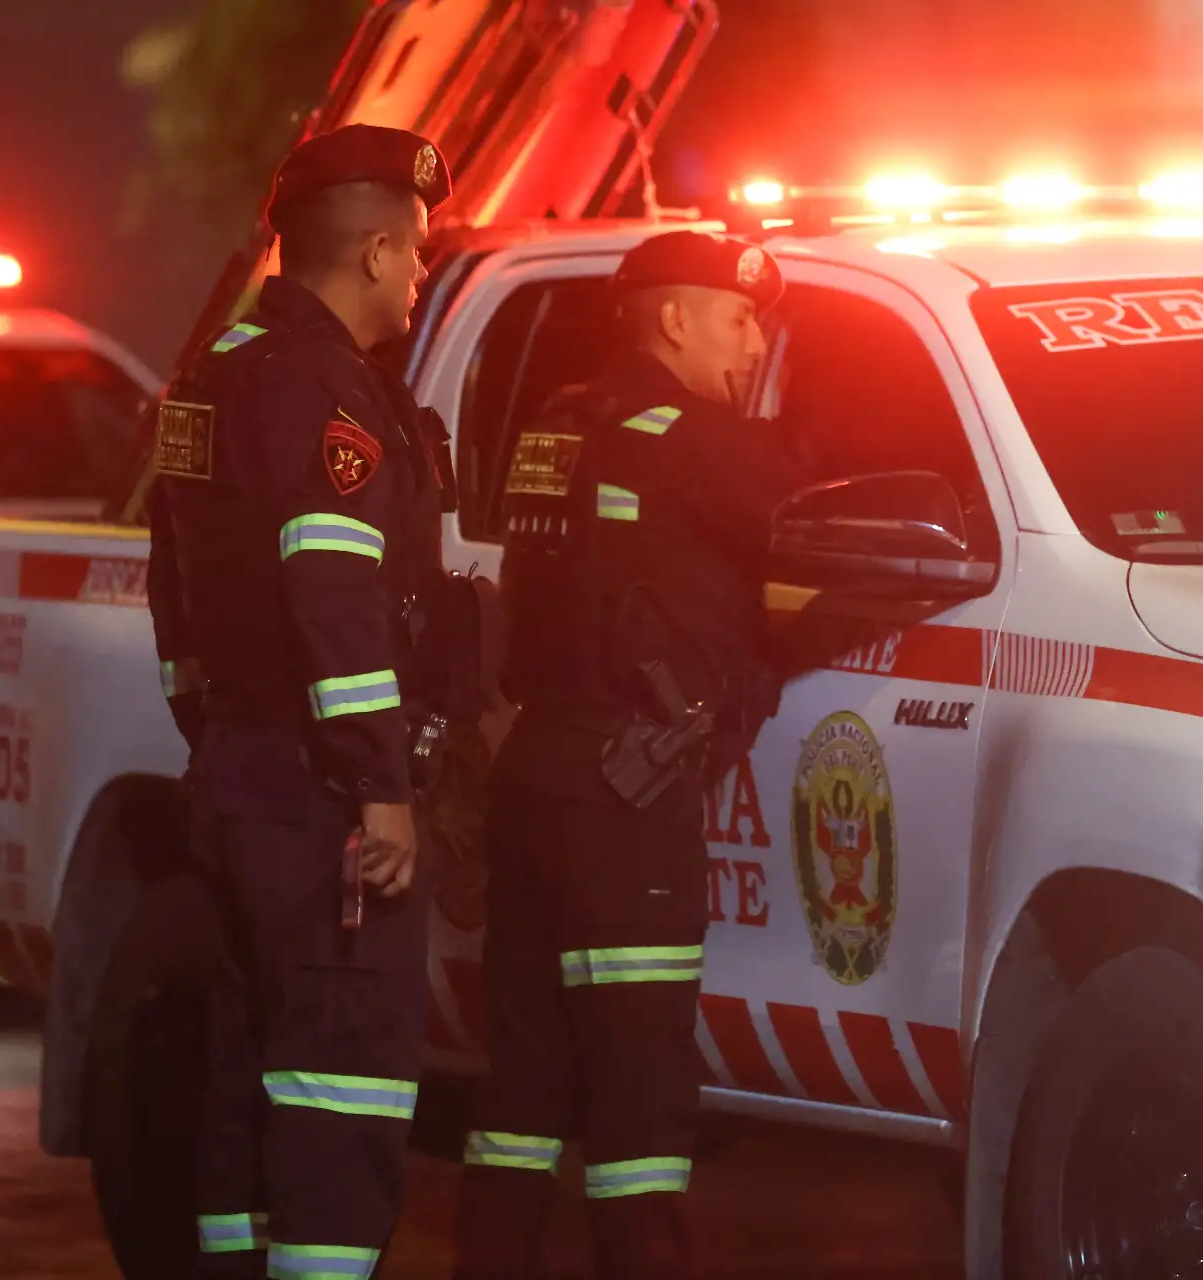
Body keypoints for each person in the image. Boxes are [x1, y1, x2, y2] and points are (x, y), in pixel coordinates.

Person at [452, 230, 802, 1280]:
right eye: (739, 320)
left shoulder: (558, 424)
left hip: (534, 780)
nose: (753, 344)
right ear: (674, 318)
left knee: (521, 1086)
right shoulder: (693, 439)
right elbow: (807, 524)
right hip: (622, 808)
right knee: (638, 1102)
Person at [146, 123, 453, 1280]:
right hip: (318, 797)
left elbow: (174, 587)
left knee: (249, 1073)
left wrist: (211, 733)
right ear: (373, 252)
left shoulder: (215, 372)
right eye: (416, 251)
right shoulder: (327, 395)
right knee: (340, 1082)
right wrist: (380, 788)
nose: (421, 274)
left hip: (236, 772)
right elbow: (334, 598)